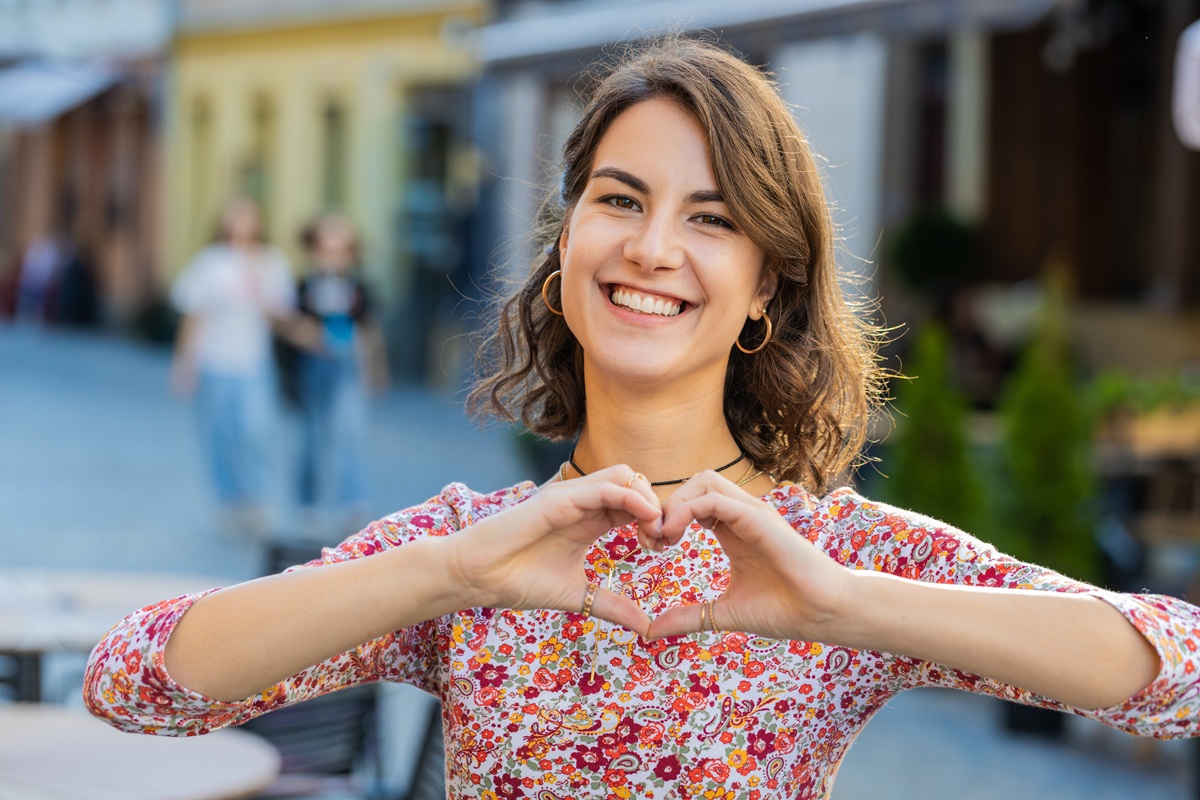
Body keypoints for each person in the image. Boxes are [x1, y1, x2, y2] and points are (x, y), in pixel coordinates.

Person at [85, 38, 1199, 798]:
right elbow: (133, 684)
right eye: (619, 199)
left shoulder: (838, 557)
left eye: (711, 218)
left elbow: (1180, 674)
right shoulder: (475, 549)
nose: (652, 247)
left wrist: (848, 607)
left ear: (766, 287)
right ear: (566, 244)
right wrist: (445, 576)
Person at [169, 197, 296, 537]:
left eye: (247, 217)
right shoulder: (210, 262)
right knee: (219, 435)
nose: (241, 224)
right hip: (214, 362)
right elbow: (194, 315)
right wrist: (184, 362)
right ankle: (228, 500)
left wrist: (262, 287)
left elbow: (282, 315)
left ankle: (256, 497)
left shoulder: (271, 261)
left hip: (254, 363)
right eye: (235, 217)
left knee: (256, 432)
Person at [292, 213, 388, 533]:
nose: (332, 256)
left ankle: (353, 501)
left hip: (349, 363)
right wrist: (305, 336)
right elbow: (289, 321)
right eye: (326, 248)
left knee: (351, 432)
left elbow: (371, 328)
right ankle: (309, 503)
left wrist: (376, 368)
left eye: (341, 249)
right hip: (314, 364)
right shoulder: (304, 285)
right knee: (312, 436)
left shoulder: (359, 286)